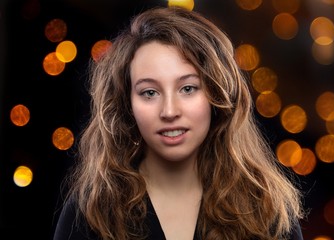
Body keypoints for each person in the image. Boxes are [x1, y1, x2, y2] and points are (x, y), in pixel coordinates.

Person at [53, 6, 305, 240]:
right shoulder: (89, 213)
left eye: (188, 88)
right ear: (127, 105)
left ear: (216, 96)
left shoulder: (266, 210)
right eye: (149, 92)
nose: (170, 111)